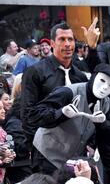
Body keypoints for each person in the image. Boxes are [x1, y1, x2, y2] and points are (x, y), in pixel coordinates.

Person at [29, 63, 110, 179]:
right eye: (102, 80)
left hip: (72, 161)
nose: (105, 87)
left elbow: (107, 139)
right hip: (47, 155)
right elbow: (34, 115)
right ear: (93, 77)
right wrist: (61, 113)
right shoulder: (68, 92)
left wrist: (103, 125)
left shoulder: (107, 105)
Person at [21, 22, 88, 168]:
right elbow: (27, 113)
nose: (67, 44)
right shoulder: (35, 72)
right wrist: (33, 146)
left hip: (75, 150)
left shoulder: (80, 76)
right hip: (45, 150)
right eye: (62, 39)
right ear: (52, 43)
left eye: (70, 39)